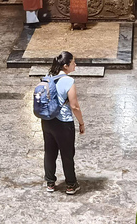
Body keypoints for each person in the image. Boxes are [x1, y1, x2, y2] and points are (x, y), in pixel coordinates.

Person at [42, 51, 85, 195]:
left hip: (47, 121)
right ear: (66, 66)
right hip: (63, 123)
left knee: (49, 152)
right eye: (73, 63)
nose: (75, 65)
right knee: (67, 154)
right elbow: (74, 106)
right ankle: (71, 185)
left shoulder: (48, 77)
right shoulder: (69, 81)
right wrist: (81, 123)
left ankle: (50, 183)